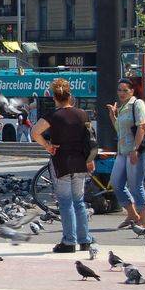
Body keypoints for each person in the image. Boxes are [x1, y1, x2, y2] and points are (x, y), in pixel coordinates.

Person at [31, 78, 96, 253]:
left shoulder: (53, 116)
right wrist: (90, 159)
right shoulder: (82, 114)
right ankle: (85, 240)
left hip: (61, 162)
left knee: (65, 202)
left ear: (55, 97)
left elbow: (34, 132)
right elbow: (89, 139)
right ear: (70, 96)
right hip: (80, 162)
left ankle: (69, 241)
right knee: (79, 202)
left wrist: (47, 146)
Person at [107, 79, 145, 228]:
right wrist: (113, 116)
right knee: (116, 183)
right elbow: (120, 130)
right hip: (122, 151)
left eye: (125, 90)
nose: (121, 93)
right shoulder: (123, 106)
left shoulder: (137, 104)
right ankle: (132, 215)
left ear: (132, 91)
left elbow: (142, 127)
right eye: (119, 90)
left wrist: (135, 149)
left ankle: (144, 220)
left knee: (135, 185)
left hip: (135, 151)